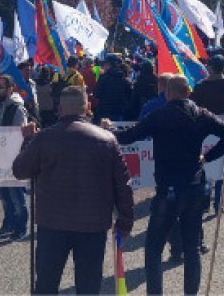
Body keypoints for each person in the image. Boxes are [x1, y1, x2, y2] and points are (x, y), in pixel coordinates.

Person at [112, 75, 224, 295]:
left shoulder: (160, 115)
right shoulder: (202, 114)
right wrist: (207, 157)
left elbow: (128, 137)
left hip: (168, 189)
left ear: (168, 94)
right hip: (194, 186)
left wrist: (107, 130)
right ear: (188, 92)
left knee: (153, 249)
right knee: (192, 249)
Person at [13, 86, 134, 295]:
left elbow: (20, 170)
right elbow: (123, 184)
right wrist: (125, 221)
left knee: (46, 284)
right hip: (93, 224)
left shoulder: (45, 138)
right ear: (87, 107)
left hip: (52, 223)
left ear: (60, 109)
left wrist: (27, 140)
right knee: (88, 286)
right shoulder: (107, 139)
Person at [190, 55, 224, 209]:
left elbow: (194, 106)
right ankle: (218, 202)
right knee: (223, 165)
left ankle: (205, 201)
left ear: (210, 67)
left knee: (206, 164)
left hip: (205, 126)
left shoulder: (200, 86)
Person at [0, 75, 29, 241]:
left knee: (16, 195)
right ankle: (9, 224)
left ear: (10, 89)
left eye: (0, 87)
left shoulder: (17, 109)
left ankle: (21, 228)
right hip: (0, 157)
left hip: (13, 158)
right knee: (5, 195)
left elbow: (20, 135)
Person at [93, 54, 132, 126]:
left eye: (104, 64)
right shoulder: (123, 79)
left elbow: (96, 94)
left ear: (109, 64)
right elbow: (129, 96)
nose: (103, 67)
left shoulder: (103, 78)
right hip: (119, 112)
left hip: (104, 113)